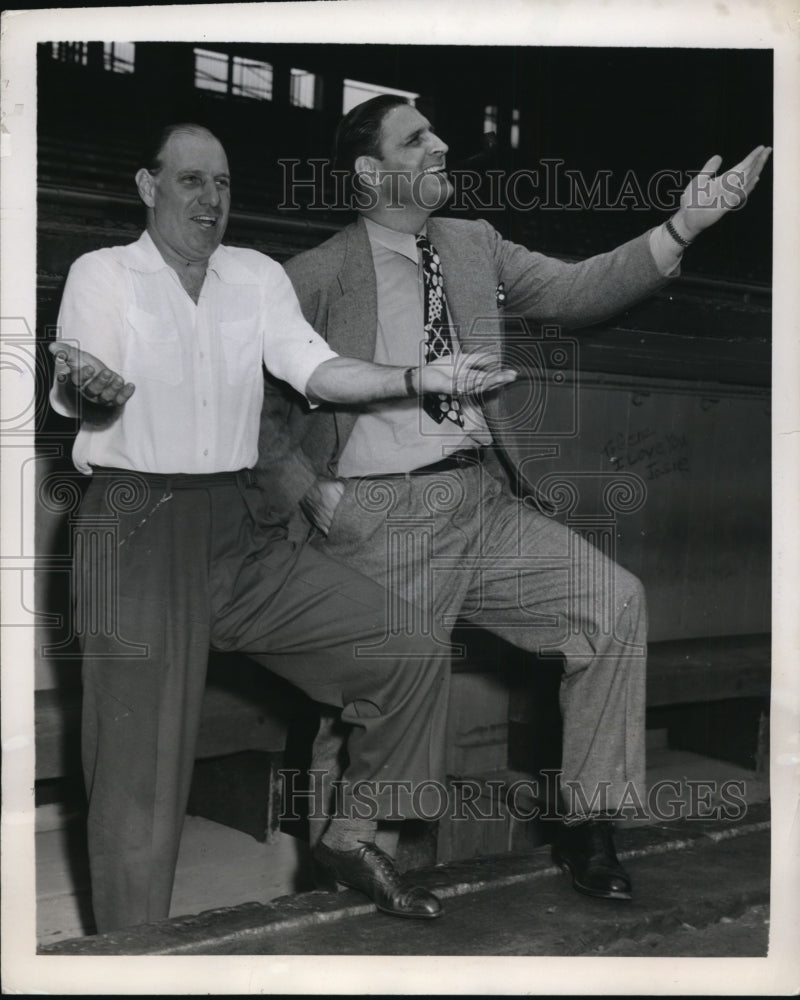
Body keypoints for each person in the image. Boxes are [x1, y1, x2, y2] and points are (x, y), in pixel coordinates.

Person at [258, 95, 771, 902]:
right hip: (380, 516)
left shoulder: (472, 244)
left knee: (612, 604)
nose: (443, 144)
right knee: (364, 708)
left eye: (436, 132)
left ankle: (588, 824)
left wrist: (683, 228)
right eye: (417, 137)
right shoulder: (313, 275)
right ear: (370, 170)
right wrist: (314, 493)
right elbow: (252, 415)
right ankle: (338, 881)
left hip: (481, 501)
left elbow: (575, 291)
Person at [48, 122, 518, 933]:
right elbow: (88, 383)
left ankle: (349, 833)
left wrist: (416, 377)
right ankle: (128, 964)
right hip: (134, 526)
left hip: (241, 523)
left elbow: (319, 370)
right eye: (191, 180)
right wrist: (95, 390)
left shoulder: (256, 276)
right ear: (146, 186)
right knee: (138, 779)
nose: (211, 198)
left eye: (223, 183)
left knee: (404, 650)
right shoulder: (104, 274)